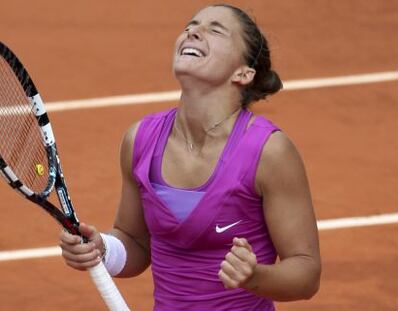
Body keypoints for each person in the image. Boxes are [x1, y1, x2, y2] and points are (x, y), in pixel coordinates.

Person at [60, 4, 321, 310]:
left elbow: (306, 273)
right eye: (190, 25)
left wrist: (255, 276)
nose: (192, 31)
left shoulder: (268, 152)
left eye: (215, 30)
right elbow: (136, 242)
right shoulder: (140, 140)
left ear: (243, 72)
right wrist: (104, 250)